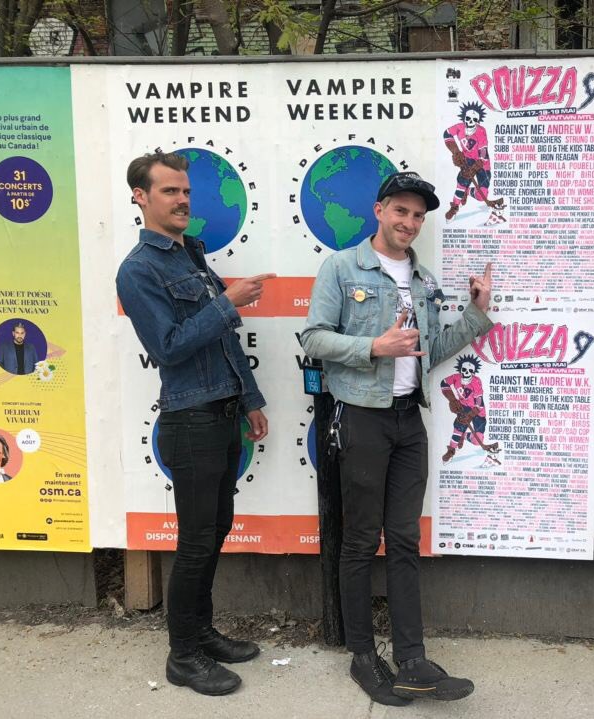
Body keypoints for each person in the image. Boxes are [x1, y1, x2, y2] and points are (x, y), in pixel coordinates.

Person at [301, 171, 493, 706]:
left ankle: (412, 658)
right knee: (361, 540)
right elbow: (313, 335)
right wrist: (373, 348)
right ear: (380, 210)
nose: (409, 222)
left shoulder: (424, 280)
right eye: (401, 211)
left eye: (418, 216)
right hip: (361, 417)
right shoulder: (342, 267)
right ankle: (364, 658)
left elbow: (431, 349)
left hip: (411, 421)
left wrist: (476, 313)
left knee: (404, 539)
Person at [116, 152, 274, 697]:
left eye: (185, 191)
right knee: (195, 541)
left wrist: (250, 398)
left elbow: (224, 343)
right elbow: (168, 347)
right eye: (168, 192)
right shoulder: (138, 269)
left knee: (214, 533)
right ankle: (182, 656)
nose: (182, 200)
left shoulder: (192, 255)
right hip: (190, 420)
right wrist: (227, 302)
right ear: (140, 196)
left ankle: (201, 633)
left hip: (224, 412)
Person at [439, 353, 499, 463]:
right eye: (464, 369)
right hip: (464, 407)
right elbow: (443, 383)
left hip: (478, 411)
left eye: (470, 371)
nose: (467, 373)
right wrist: (452, 400)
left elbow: (479, 403)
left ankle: (463, 436)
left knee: (477, 441)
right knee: (459, 425)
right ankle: (451, 450)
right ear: (460, 369)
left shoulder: (476, 382)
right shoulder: (455, 378)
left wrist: (470, 415)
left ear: (474, 372)